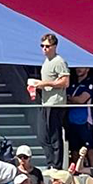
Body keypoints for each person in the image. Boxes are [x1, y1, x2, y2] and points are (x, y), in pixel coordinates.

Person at [33, 34, 71, 167]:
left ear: (54, 46)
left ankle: (56, 165)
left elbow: (65, 82)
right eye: (42, 46)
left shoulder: (59, 61)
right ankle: (51, 163)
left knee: (54, 135)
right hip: (46, 102)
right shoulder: (46, 61)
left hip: (56, 103)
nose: (44, 48)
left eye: (47, 46)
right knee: (43, 136)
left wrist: (45, 84)